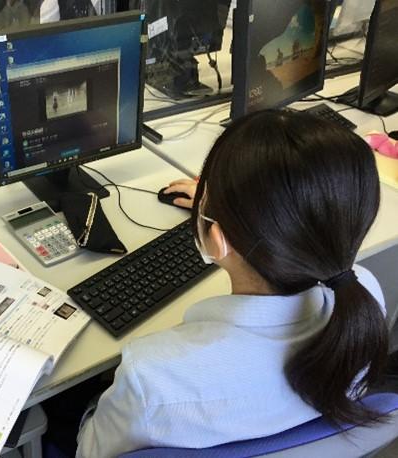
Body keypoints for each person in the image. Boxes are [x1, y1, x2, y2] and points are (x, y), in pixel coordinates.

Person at [75, 109, 388, 457]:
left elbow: (91, 451)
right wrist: (237, 210)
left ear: (217, 239)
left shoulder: (152, 377)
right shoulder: (366, 295)